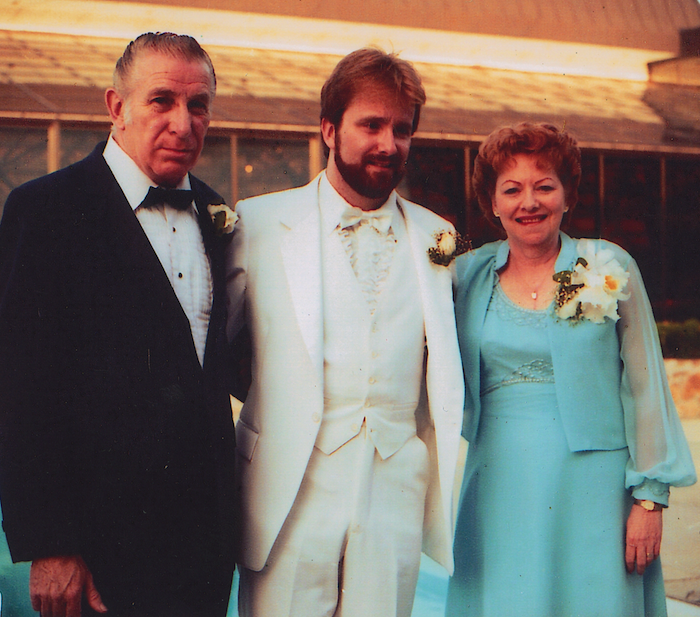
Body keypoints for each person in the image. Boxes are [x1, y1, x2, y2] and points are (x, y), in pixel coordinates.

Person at [0, 32, 238, 617]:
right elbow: (20, 386)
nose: (184, 123)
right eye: (162, 101)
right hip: (96, 556)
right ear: (116, 107)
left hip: (203, 554)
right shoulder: (45, 209)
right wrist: (50, 544)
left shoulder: (219, 214)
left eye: (199, 105)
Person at [226, 47, 464, 617]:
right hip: (287, 491)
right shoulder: (259, 224)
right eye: (371, 124)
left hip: (394, 494)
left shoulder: (439, 238)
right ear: (330, 129)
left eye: (402, 129)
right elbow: (221, 354)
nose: (388, 143)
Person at [447, 122, 696, 617]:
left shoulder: (608, 265)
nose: (529, 202)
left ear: (567, 195)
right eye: (511, 189)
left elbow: (646, 388)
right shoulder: (466, 274)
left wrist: (649, 499)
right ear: (492, 203)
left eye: (544, 186)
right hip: (498, 485)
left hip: (593, 489)